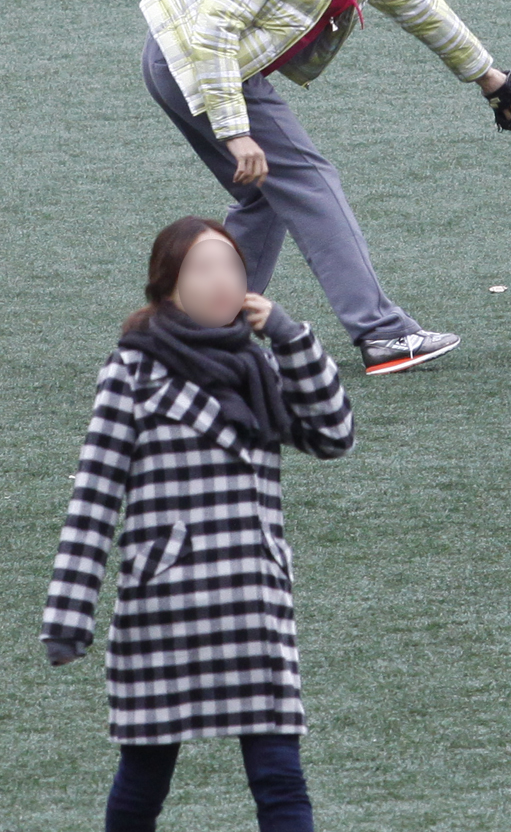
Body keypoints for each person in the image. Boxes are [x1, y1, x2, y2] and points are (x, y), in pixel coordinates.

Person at [139, 0, 511, 376]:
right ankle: (382, 333)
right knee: (309, 183)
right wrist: (236, 131)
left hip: (211, 63)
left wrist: (491, 80)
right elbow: (213, 32)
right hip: (193, 59)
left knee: (266, 197)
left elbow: (420, 8)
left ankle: (200, 336)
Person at [40, 215, 354, 832]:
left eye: (232, 268)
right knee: (144, 780)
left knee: (280, 779)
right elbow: (95, 496)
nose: (221, 282)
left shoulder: (259, 366)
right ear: (169, 286)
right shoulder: (132, 371)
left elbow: (333, 435)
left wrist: (291, 338)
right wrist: (68, 618)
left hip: (253, 602)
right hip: (166, 604)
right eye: (203, 269)